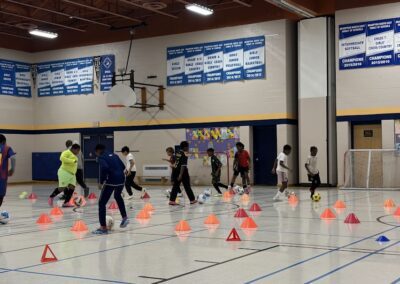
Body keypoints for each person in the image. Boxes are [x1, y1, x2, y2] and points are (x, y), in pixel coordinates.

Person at [93, 144, 129, 235]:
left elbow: (104, 168)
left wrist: (101, 181)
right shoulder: (115, 155)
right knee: (117, 196)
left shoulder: (101, 157)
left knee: (102, 203)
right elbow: (124, 167)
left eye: (96, 153)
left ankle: (103, 228)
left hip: (111, 180)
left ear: (97, 151)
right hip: (121, 179)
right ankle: (124, 218)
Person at [169, 141, 197, 206]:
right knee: (187, 186)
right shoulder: (184, 154)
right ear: (185, 147)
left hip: (175, 170)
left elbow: (174, 163)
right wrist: (181, 174)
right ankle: (192, 200)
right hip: (183, 172)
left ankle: (172, 201)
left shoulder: (177, 152)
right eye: (187, 147)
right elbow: (183, 165)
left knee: (175, 186)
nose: (188, 148)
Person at [0, 134, 16, 209]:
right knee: (0, 195)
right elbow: (13, 158)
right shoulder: (6, 148)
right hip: (2, 176)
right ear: (3, 141)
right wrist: (12, 169)